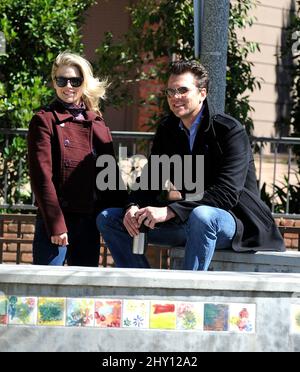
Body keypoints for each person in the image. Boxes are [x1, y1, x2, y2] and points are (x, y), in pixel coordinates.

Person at [97, 59, 285, 271]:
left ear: (202, 93)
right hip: (186, 220)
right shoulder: (168, 130)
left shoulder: (228, 131)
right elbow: (150, 182)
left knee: (202, 215)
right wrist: (133, 207)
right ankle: (145, 290)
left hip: (235, 224)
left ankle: (187, 297)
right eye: (170, 92)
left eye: (183, 90)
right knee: (109, 219)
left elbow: (226, 193)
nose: (175, 97)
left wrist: (170, 211)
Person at [28, 51, 126, 267]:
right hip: (55, 220)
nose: (68, 86)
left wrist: (128, 210)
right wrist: (56, 224)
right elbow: (42, 177)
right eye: (62, 80)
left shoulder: (96, 122)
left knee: (83, 297)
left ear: (84, 83)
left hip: (88, 221)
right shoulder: (44, 120)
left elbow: (110, 176)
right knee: (47, 294)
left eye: (75, 80)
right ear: (54, 82)